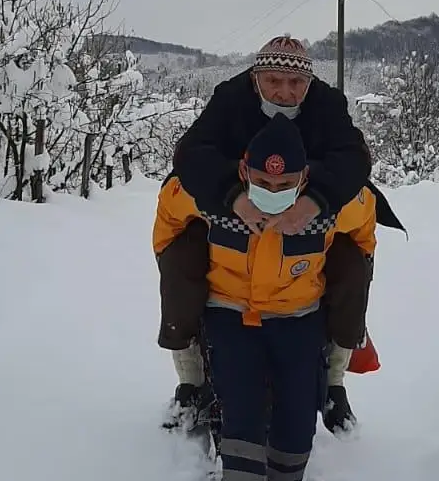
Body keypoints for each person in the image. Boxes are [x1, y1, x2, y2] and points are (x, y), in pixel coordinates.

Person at [152, 115, 377, 481]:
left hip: (298, 321)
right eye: (261, 179)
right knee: (241, 426)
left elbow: (364, 226)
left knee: (296, 425)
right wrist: (183, 268)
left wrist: (346, 270)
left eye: (284, 181)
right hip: (230, 318)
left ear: (305, 178)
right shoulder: (212, 200)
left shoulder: (330, 207)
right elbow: (168, 217)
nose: (272, 187)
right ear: (243, 173)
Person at [156, 35, 391, 432]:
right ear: (256, 78)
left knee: (353, 266)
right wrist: (232, 197)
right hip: (233, 203)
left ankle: (334, 381)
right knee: (181, 260)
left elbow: (355, 158)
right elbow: (190, 154)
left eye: (296, 83)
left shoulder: (328, 105)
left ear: (309, 83)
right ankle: (191, 380)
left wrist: (316, 199)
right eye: (274, 81)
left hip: (307, 204)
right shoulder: (230, 98)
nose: (285, 92)